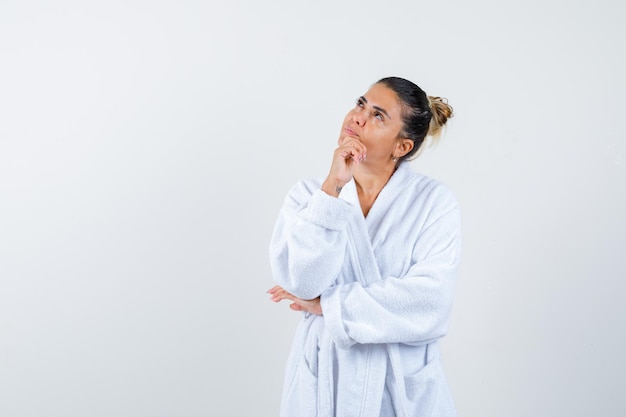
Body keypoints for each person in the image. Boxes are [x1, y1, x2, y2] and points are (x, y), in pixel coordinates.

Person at [267, 76, 461, 417]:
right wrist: (331, 189)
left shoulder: (433, 202)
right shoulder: (309, 197)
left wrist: (329, 306)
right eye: (360, 104)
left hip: (399, 389)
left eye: (378, 115)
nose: (357, 117)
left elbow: (430, 303)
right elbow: (301, 283)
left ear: (402, 147)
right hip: (324, 382)